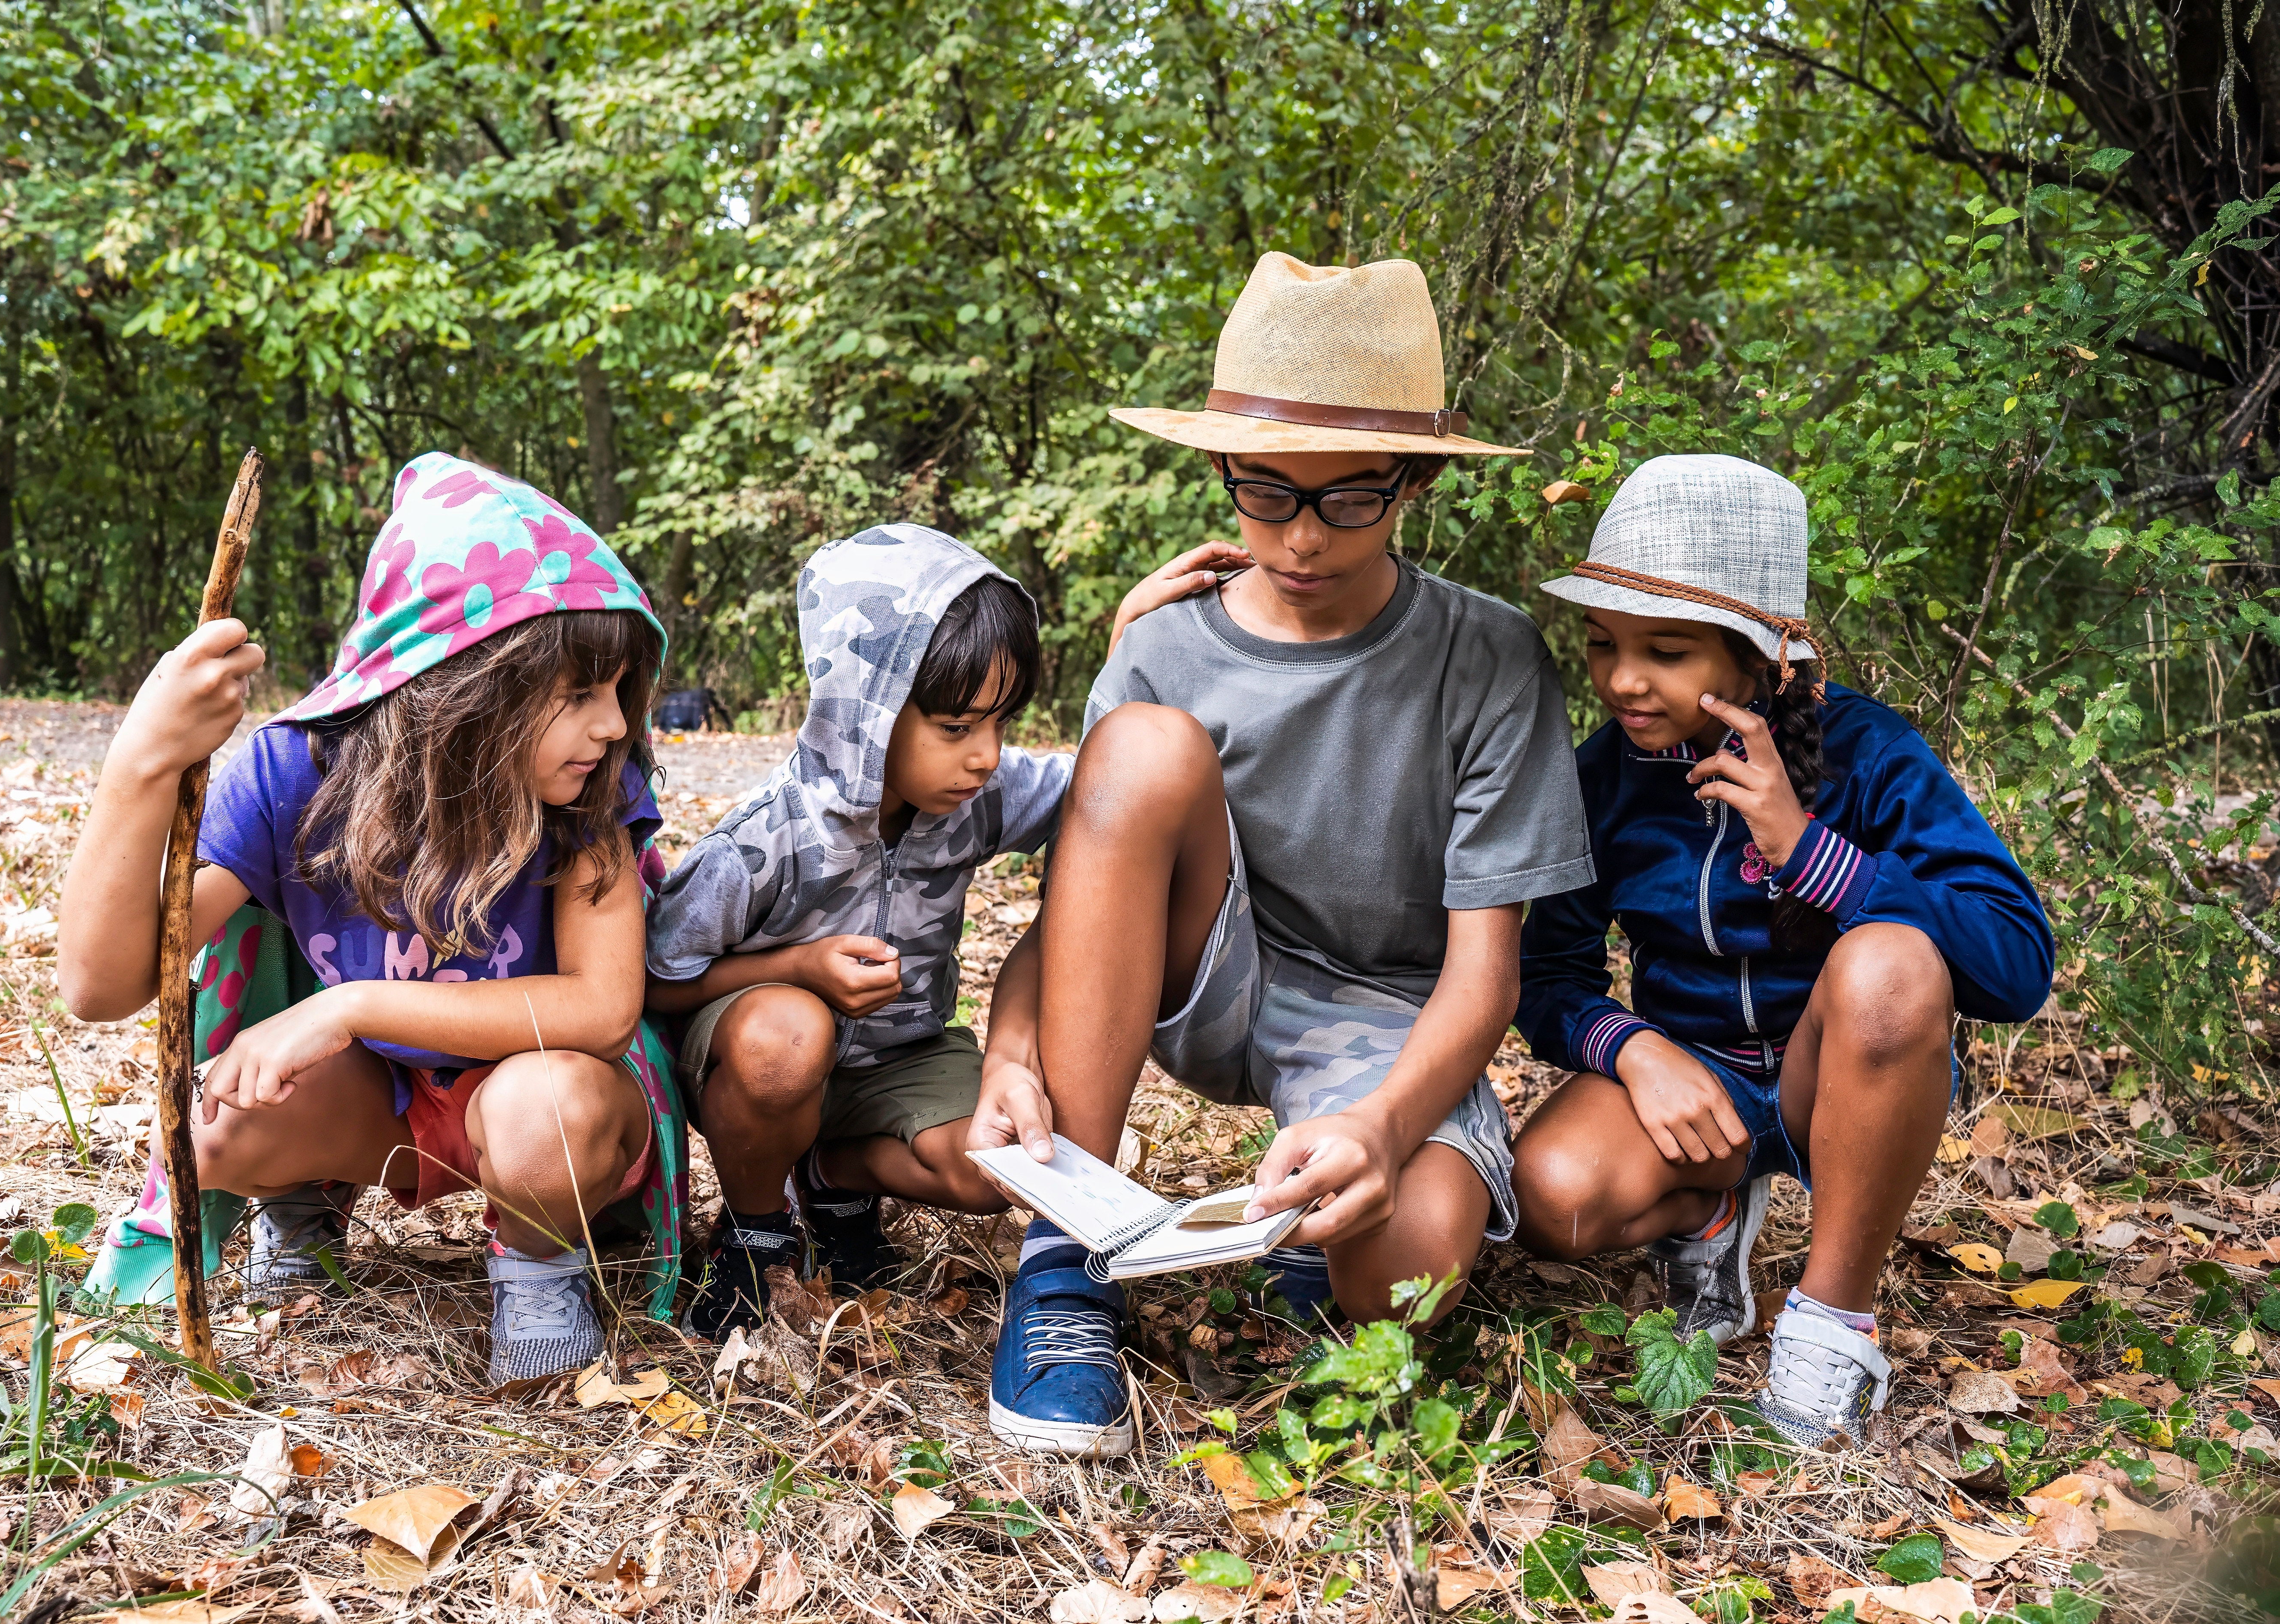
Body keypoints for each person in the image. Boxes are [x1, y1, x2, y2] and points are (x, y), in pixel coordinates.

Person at [967, 251, 1596, 1459]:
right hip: (1211, 974)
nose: (1300, 537)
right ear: (1222, 472)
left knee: (1402, 1276)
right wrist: (1009, 1051)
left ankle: (1306, 1235)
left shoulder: (1490, 656)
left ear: (1410, 481)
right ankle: (1065, 1268)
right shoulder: (1161, 650)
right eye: (1265, 494)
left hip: (1387, 1011)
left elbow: (1484, 979)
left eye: (1345, 500)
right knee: (1141, 748)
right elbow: (1081, 907)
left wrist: (1383, 1127)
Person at [59, 452, 678, 1385]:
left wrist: (346, 1006)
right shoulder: (296, 775)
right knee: (211, 1128)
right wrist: (140, 764)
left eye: (619, 692)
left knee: (538, 1112)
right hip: (382, 1101)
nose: (615, 727)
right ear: (471, 684)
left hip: (547, 1104)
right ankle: (303, 1200)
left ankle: (543, 1257)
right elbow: (100, 986)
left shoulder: (592, 794)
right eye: (582, 694)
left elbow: (600, 1011)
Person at [1511, 452, 2055, 1447]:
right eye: (1601, 644)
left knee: (1888, 962)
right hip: (1694, 1089)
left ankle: (1830, 1324)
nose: (1622, 680)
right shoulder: (1603, 778)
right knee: (1551, 1195)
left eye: (1665, 652)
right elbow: (1548, 976)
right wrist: (1638, 1051)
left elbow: (2016, 965)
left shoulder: (1873, 755)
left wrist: (1808, 851)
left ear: (1767, 664)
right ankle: (1711, 1219)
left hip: (1840, 1079)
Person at [646, 524, 1238, 1338]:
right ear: (868, 715)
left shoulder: (977, 798)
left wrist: (1128, 645)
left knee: (1012, 1160)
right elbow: (656, 980)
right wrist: (799, 968)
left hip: (901, 1061)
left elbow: (1111, 792)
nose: (987, 756)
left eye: (1001, 723)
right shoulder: (763, 841)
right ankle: (755, 1234)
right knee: (787, 1036)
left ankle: (828, 1175)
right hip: (763, 1066)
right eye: (957, 728)